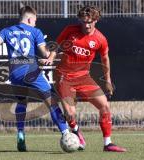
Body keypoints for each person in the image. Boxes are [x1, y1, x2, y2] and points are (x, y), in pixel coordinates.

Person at [0, 6, 69, 152]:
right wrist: (50, 57)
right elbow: (44, 54)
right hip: (31, 71)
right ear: (30, 19)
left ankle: (20, 132)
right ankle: (66, 133)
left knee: (22, 102)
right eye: (35, 21)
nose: (35, 23)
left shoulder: (7, 31)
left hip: (15, 73)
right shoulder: (35, 31)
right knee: (51, 102)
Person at [53, 6, 126, 152]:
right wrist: (50, 57)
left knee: (104, 106)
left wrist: (108, 80)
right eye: (84, 22)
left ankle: (108, 143)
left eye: (90, 22)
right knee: (70, 114)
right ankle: (76, 130)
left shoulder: (100, 39)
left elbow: (105, 58)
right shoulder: (70, 30)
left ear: (96, 20)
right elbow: (56, 45)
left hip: (84, 77)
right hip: (64, 77)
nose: (86, 25)